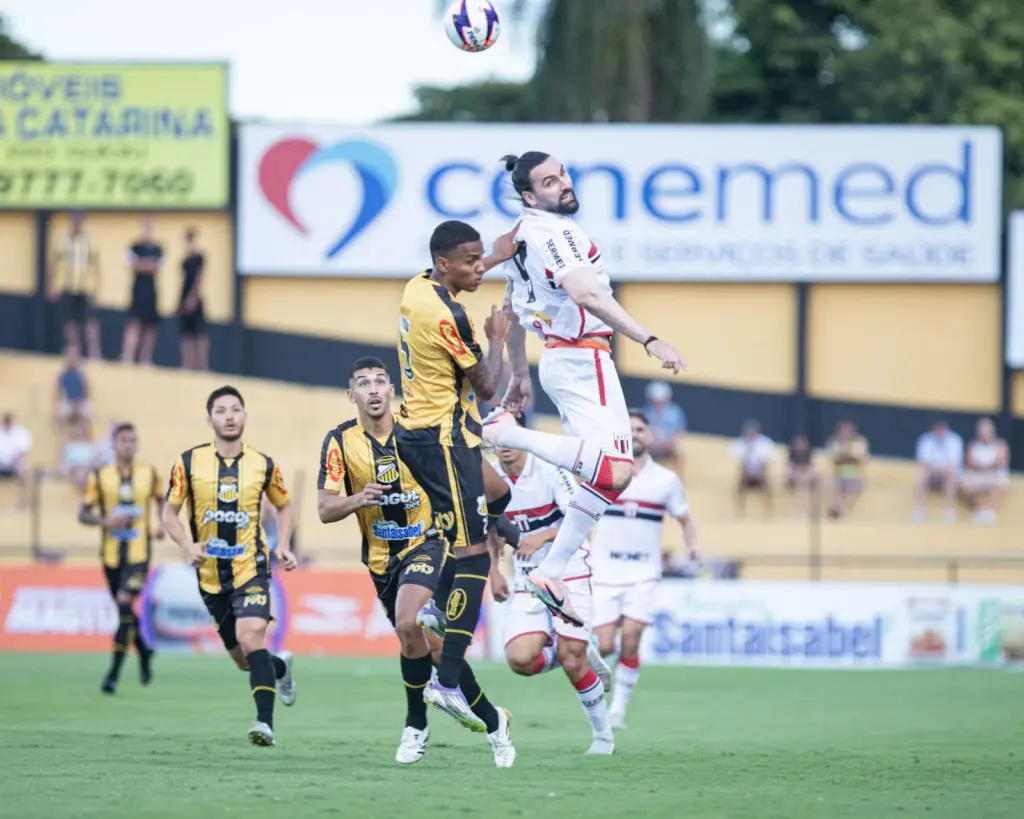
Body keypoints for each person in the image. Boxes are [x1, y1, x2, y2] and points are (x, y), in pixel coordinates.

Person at [481, 151, 686, 627]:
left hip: (566, 357)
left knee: (607, 479)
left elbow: (510, 306)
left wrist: (520, 374)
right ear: (531, 195)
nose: (563, 186)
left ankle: (551, 573)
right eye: (550, 183)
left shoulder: (521, 233)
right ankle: (508, 434)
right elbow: (587, 294)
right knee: (614, 470)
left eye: (563, 175)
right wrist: (650, 339)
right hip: (580, 356)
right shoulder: (556, 232)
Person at [318, 357, 515, 767]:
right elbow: (324, 508)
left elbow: (483, 486)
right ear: (350, 394)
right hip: (381, 562)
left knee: (410, 622)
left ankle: (415, 726)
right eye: (362, 383)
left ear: (392, 389)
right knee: (434, 650)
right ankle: (495, 722)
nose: (372, 389)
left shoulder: (420, 430)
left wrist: (492, 541)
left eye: (379, 381)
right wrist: (358, 499)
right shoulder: (339, 442)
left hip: (431, 545)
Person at [393, 219, 517, 733]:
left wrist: (501, 250)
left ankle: (446, 602)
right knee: (471, 556)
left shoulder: (418, 285)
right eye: (471, 261)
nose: (478, 268)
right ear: (445, 264)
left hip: (427, 434)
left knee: (500, 491)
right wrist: (497, 340)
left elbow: (468, 261)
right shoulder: (452, 317)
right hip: (442, 441)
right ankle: (446, 680)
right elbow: (488, 387)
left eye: (480, 257)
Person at [162, 386, 299, 747]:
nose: (229, 416)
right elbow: (168, 514)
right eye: (221, 411)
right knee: (244, 660)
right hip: (210, 577)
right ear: (209, 420)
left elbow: (284, 505)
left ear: (245, 417)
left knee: (250, 636)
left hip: (251, 567)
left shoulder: (263, 464)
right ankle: (280, 667)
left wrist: (282, 544)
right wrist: (186, 544)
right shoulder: (188, 462)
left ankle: (264, 723)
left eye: (235, 409)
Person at [490, 417, 615, 756]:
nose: (502, 443)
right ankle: (576, 647)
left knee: (572, 662)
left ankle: (603, 738)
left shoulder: (549, 468)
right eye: (495, 435)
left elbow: (582, 518)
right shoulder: (489, 475)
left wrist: (541, 536)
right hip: (528, 575)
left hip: (568, 568)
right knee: (519, 660)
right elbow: (485, 525)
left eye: (508, 434)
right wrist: (493, 572)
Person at [591, 410, 699, 730]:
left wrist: (693, 545)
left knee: (633, 637)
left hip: (643, 572)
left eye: (640, 429)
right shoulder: (604, 473)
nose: (635, 434)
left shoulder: (665, 480)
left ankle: (618, 711)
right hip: (605, 570)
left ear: (649, 435)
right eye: (630, 429)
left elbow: (686, 518)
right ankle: (598, 692)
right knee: (606, 645)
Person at [78, 423, 165, 693]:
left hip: (139, 554)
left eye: (133, 440)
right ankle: (144, 650)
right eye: (124, 440)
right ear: (114, 444)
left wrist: (160, 523)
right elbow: (83, 513)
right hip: (111, 556)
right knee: (124, 611)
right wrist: (106, 521)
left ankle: (113, 674)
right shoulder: (100, 476)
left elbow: (162, 499)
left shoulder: (148, 472)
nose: (129, 445)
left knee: (124, 601)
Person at [48, 212, 101, 359]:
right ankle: (74, 352)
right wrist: (51, 285)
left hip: (84, 288)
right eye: (75, 222)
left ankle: (94, 353)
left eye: (80, 222)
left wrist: (97, 286)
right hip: (67, 287)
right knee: (70, 323)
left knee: (90, 322)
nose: (77, 225)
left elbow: (96, 265)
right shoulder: (62, 241)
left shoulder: (88, 241)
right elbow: (53, 263)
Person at [121, 217, 164, 365]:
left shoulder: (158, 248)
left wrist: (141, 264)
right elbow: (131, 265)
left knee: (151, 326)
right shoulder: (134, 246)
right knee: (133, 322)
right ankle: (128, 356)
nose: (147, 230)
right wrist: (147, 264)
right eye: (145, 227)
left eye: (150, 227)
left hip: (151, 290)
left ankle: (146, 358)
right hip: (137, 289)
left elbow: (156, 268)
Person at [178, 228, 209, 371]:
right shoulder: (185, 260)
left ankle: (201, 365)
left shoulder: (199, 258)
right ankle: (187, 364)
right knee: (186, 334)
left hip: (195, 298)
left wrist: (193, 296)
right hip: (184, 298)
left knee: (200, 333)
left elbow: (199, 277)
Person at [0, 413, 33, 509]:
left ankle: (23, 503)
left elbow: (22, 452)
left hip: (14, 463)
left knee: (23, 466)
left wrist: (15, 462)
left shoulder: (20, 432)